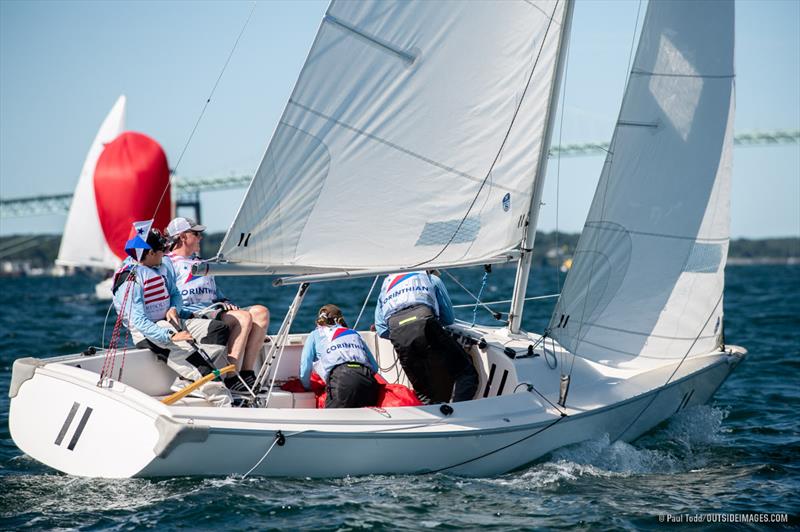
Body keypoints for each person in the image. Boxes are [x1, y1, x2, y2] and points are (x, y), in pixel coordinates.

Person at [112, 224, 232, 407]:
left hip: (172, 319)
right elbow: (139, 321)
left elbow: (175, 293)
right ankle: (225, 404)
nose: (166, 253)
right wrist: (172, 336)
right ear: (150, 252)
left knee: (219, 329)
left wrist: (174, 308)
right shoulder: (131, 280)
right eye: (163, 250)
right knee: (198, 361)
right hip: (150, 331)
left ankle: (187, 380)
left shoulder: (162, 265)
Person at [164, 217, 270, 392]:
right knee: (243, 318)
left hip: (213, 310)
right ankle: (231, 377)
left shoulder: (201, 263)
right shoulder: (168, 264)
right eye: (197, 234)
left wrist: (225, 302)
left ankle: (247, 373)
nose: (201, 238)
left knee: (260, 312)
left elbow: (216, 294)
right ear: (183, 237)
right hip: (193, 316)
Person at [374, 270, 478, 404]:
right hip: (425, 322)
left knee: (423, 392)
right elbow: (448, 319)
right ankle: (458, 411)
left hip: (398, 333)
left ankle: (432, 419)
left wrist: (406, 333)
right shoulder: (431, 278)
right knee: (466, 373)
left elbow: (382, 330)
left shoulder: (386, 284)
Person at [300, 304, 380, 408]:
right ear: (340, 319)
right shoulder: (353, 333)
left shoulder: (315, 335)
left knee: (333, 421)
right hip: (367, 379)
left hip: (341, 379)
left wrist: (307, 387)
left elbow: (305, 366)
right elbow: (375, 367)